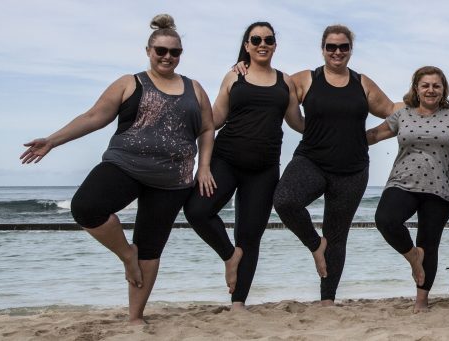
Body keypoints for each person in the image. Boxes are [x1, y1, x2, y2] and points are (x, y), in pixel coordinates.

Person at [20, 14, 214, 324]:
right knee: (85, 207)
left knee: (150, 249)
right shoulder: (130, 83)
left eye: (174, 52)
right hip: (125, 165)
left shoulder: (195, 88)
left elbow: (206, 129)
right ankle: (127, 255)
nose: (167, 57)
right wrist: (52, 141)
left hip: (172, 180)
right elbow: (93, 116)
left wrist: (204, 167)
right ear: (148, 51)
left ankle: (135, 318)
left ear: (180, 55)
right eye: (160, 51)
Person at [271, 24, 396, 306]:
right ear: (323, 49)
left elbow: (392, 111)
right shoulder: (306, 78)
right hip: (311, 161)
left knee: (337, 236)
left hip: (352, 170)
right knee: (285, 200)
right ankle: (316, 245)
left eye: (343, 47)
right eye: (331, 47)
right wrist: (242, 67)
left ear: (350, 50)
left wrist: (373, 136)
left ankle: (327, 300)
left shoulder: (362, 83)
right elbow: (270, 84)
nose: (337, 52)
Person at [182, 22, 304, 309]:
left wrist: (333, 130)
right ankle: (229, 255)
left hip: (263, 170)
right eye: (256, 39)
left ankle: (238, 304)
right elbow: (214, 119)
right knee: (197, 210)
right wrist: (203, 162)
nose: (263, 43)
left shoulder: (285, 82)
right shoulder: (234, 76)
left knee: (249, 235)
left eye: (269, 39)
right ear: (247, 45)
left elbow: (297, 122)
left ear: (275, 45)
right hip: (226, 160)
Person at [365, 66, 449, 313]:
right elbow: (375, 135)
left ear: (443, 90)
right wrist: (339, 135)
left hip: (440, 187)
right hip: (402, 182)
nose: (431, 90)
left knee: (429, 243)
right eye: (425, 85)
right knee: (385, 219)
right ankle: (413, 256)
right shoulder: (403, 115)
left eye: (436, 86)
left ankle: (421, 300)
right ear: (416, 89)